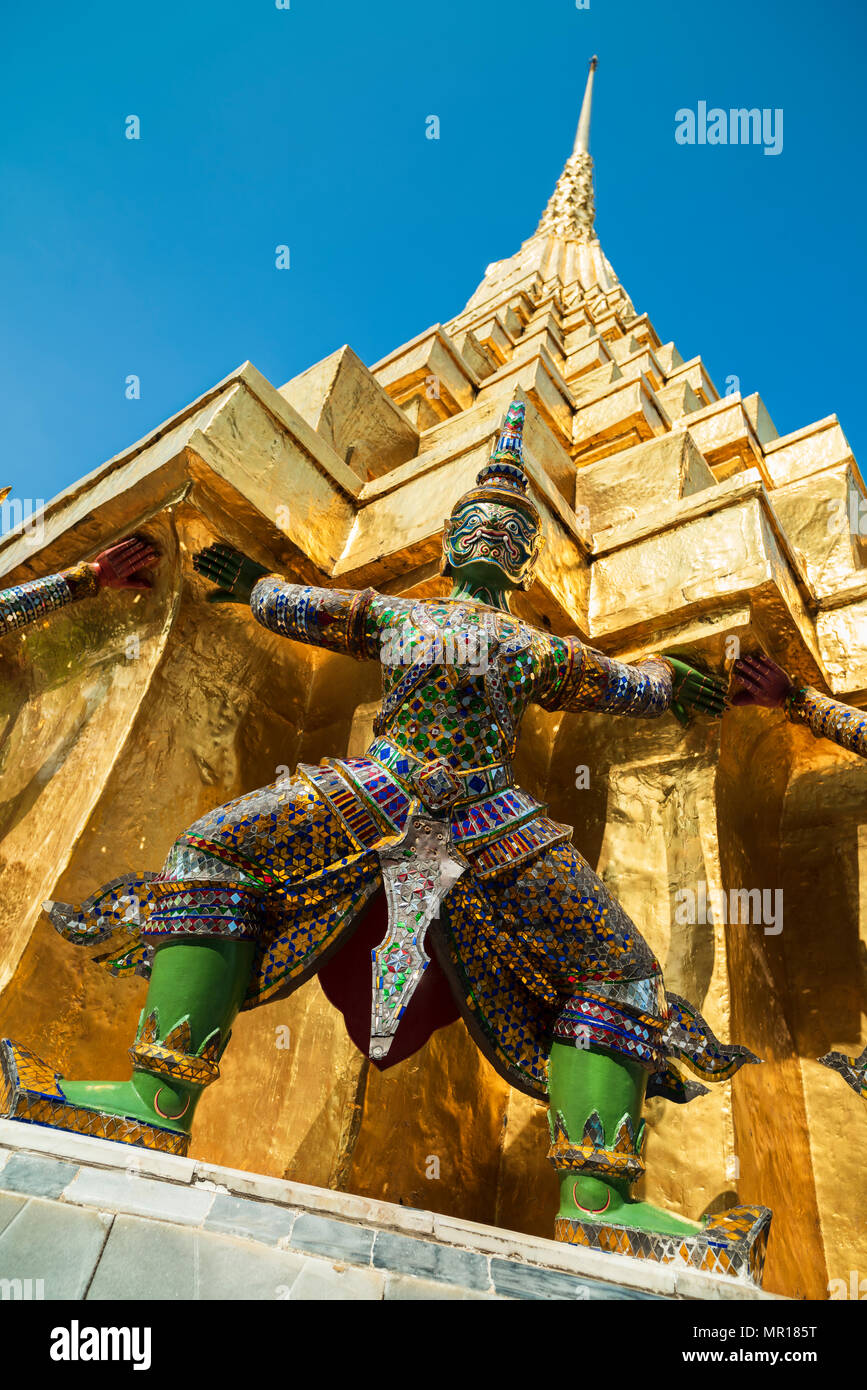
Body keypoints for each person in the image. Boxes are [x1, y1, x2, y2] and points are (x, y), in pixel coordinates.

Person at [1, 403, 771, 1280]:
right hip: (382, 787)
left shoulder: (535, 648)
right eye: (476, 524)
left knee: (620, 972)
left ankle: (599, 1203)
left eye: (508, 533)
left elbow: (624, 685)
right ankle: (154, 1096)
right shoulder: (399, 615)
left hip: (494, 820)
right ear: (448, 544)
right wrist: (252, 581)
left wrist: (687, 684)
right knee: (209, 852)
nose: (491, 537)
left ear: (523, 560)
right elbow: (301, 609)